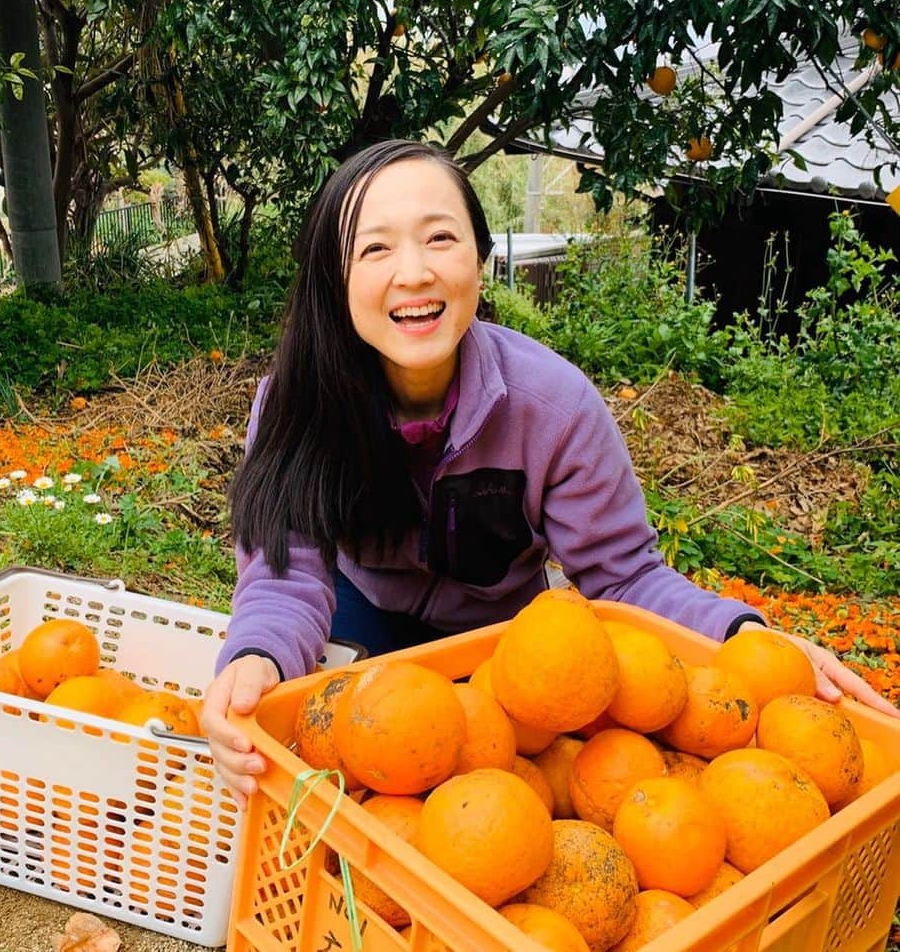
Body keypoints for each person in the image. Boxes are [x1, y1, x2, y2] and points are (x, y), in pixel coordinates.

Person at [201, 139, 898, 806]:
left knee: (497, 811)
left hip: (508, 652)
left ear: (481, 257)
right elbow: (285, 573)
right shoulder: (298, 401)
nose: (412, 271)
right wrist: (255, 659)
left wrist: (744, 636)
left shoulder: (554, 406)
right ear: (335, 277)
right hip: (359, 624)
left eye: (440, 238)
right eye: (375, 247)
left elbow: (624, 576)